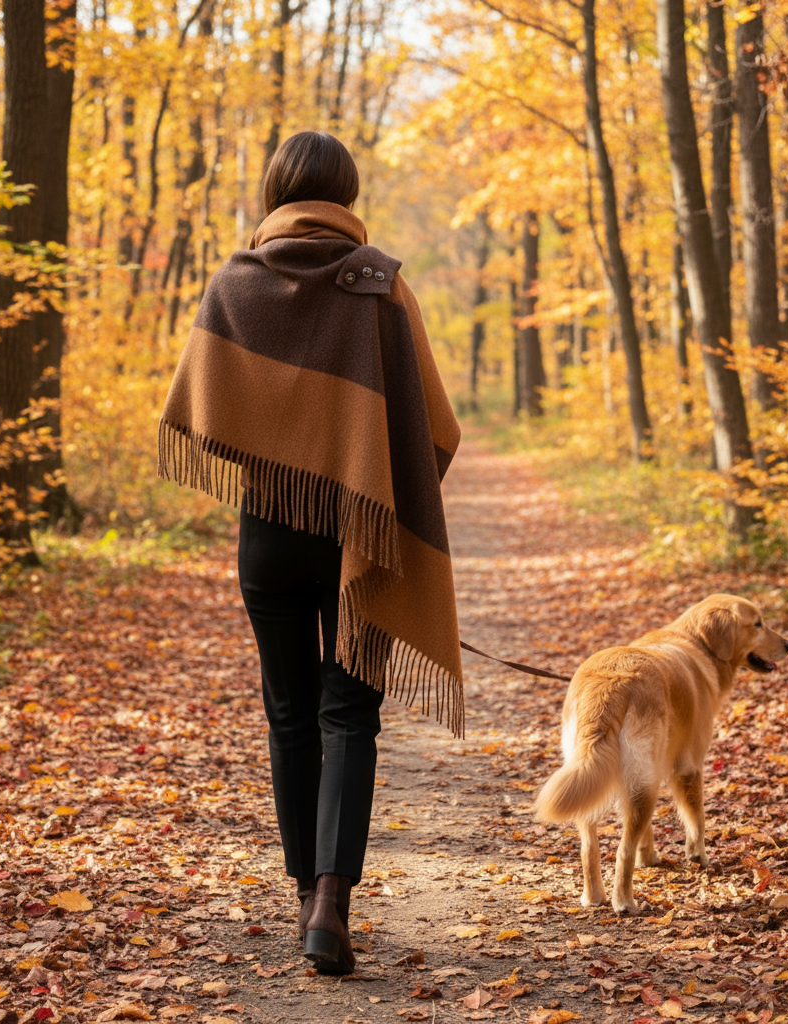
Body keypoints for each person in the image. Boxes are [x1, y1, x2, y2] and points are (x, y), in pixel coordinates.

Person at [158, 131, 464, 975]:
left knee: (290, 715)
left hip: (270, 534)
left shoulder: (235, 282)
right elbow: (434, 427)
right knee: (349, 717)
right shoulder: (381, 284)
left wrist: (280, 452)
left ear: (276, 192)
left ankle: (304, 901)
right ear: (346, 192)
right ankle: (333, 898)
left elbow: (204, 405)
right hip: (358, 537)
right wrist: (381, 487)